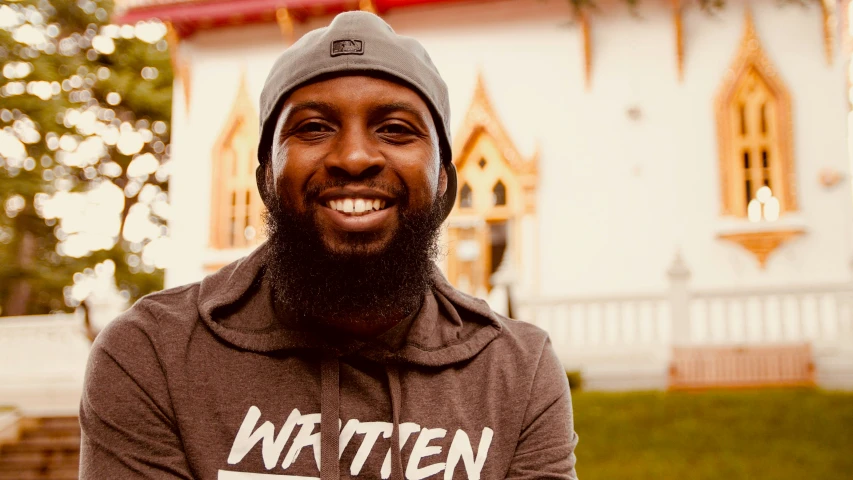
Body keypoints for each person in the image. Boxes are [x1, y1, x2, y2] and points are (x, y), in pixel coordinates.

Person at [79, 10, 578, 480]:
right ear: (267, 178)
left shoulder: (516, 370)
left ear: (444, 183)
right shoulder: (154, 355)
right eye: (314, 127)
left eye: (396, 129)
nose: (355, 157)